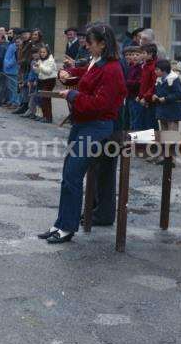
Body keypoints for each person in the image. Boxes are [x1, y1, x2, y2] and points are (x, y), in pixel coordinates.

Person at [38, 23, 127, 244]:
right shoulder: (97, 63)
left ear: (103, 44)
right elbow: (85, 75)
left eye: (90, 42)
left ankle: (67, 227)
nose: (86, 45)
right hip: (83, 124)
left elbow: (100, 104)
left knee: (73, 175)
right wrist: (68, 75)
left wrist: (72, 96)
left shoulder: (112, 69)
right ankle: (60, 224)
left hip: (96, 127)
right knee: (69, 175)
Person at [152, 59, 181, 131]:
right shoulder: (159, 79)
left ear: (164, 70)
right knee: (164, 133)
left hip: (173, 111)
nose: (155, 71)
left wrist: (166, 98)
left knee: (172, 134)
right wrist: (156, 95)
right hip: (162, 111)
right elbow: (159, 92)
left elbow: (178, 94)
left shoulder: (174, 79)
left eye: (157, 70)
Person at [34, 44, 57, 123]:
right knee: (42, 99)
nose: (42, 54)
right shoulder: (41, 60)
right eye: (41, 52)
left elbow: (48, 71)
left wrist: (40, 66)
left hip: (49, 80)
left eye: (44, 52)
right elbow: (39, 72)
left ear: (47, 53)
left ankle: (48, 117)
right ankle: (44, 116)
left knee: (46, 98)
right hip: (42, 80)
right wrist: (36, 68)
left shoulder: (51, 60)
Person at [137, 42, 158, 130]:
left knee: (151, 125)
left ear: (150, 54)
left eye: (143, 53)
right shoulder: (146, 65)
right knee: (144, 124)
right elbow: (143, 84)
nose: (142, 55)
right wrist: (140, 95)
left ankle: (154, 143)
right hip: (143, 99)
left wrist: (145, 97)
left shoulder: (154, 67)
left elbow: (154, 85)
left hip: (150, 101)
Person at [125, 46, 143, 130]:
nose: (134, 56)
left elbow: (139, 83)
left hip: (136, 97)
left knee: (136, 120)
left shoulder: (140, 68)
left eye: (137, 54)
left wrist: (127, 82)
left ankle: (136, 140)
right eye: (133, 55)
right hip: (130, 96)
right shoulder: (131, 67)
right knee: (131, 119)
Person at [3, 31, 20, 108]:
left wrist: (8, 65)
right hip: (8, 69)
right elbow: (8, 57)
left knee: (15, 87)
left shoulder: (18, 48)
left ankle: (15, 102)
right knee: (10, 87)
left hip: (14, 70)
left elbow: (15, 59)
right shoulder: (12, 46)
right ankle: (11, 100)